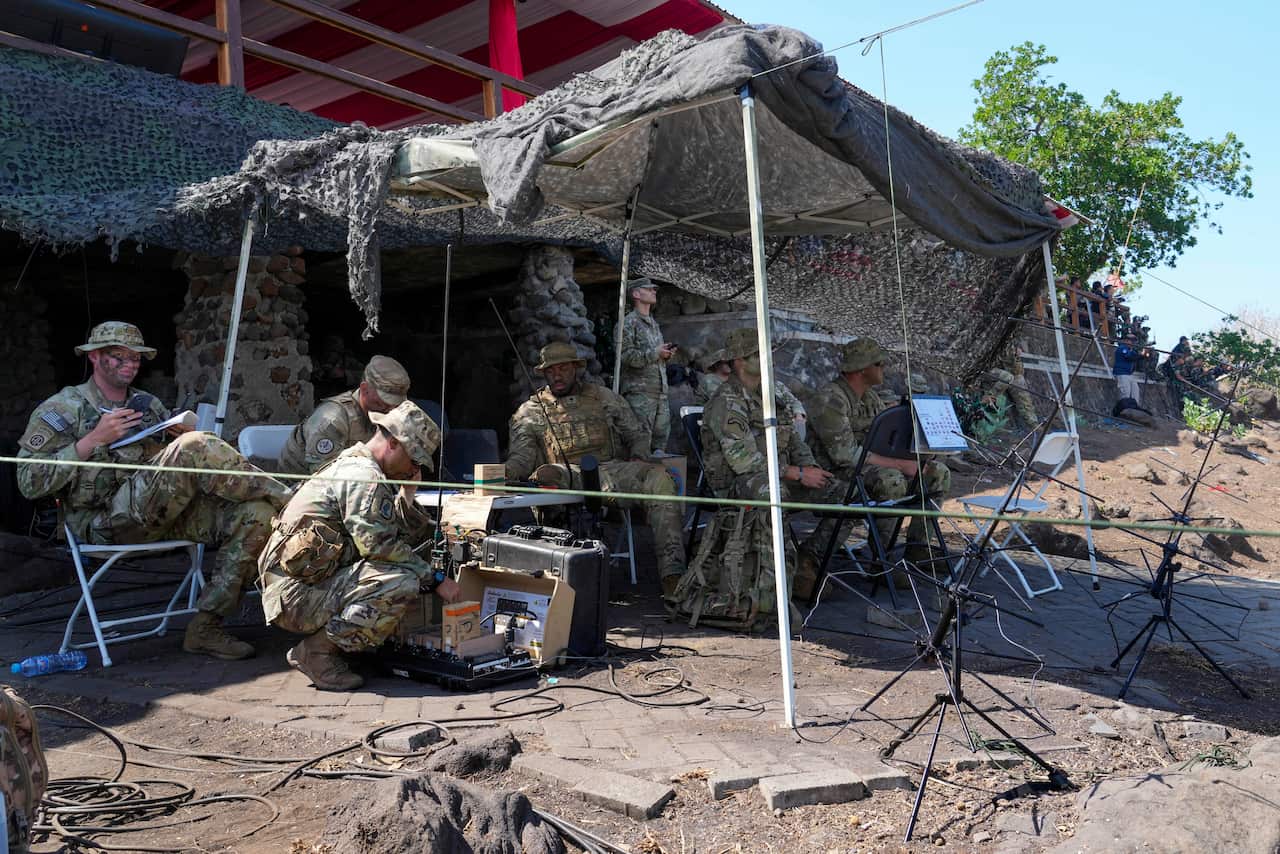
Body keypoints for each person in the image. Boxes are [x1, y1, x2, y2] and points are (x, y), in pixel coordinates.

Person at [16, 322, 291, 660]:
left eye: (136, 358)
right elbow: (28, 482)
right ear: (96, 358)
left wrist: (172, 437)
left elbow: (170, 463)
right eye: (120, 357)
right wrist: (91, 441)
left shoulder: (147, 404)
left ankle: (206, 627)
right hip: (103, 523)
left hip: (161, 513)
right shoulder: (62, 409)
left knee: (257, 515)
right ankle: (290, 500)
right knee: (196, 445)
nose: (130, 364)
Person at [259, 400, 461, 690]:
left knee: (402, 570)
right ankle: (317, 653)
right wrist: (435, 578)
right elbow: (380, 547)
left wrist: (407, 493)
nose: (414, 468)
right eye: (414, 460)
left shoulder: (360, 465)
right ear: (393, 443)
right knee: (400, 581)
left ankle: (348, 641)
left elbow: (390, 535)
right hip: (294, 596)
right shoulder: (363, 477)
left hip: (307, 582)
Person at [505, 341, 687, 595]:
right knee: (546, 475)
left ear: (576, 369)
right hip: (566, 475)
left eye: (564, 368)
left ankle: (674, 577)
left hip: (610, 471)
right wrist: (499, 474)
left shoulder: (602, 397)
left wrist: (637, 455)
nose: (557, 375)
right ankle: (563, 574)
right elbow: (521, 459)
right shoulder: (531, 411)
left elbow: (636, 432)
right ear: (544, 373)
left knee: (660, 479)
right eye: (551, 370)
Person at [701, 329, 845, 601]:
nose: (767, 359)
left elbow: (792, 441)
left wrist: (809, 468)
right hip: (737, 483)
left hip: (778, 474)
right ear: (740, 361)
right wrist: (799, 474)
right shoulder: (726, 402)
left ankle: (808, 559)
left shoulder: (769, 395)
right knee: (774, 496)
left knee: (843, 494)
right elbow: (744, 462)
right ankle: (776, 588)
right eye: (758, 354)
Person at [804, 338, 952, 590]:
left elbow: (884, 442)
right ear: (862, 369)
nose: (883, 367)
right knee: (891, 480)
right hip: (833, 475)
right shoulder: (831, 400)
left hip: (867, 468)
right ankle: (882, 561)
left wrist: (921, 453)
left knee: (937, 473)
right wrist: (901, 466)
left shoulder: (870, 398)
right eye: (878, 363)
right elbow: (845, 455)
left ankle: (918, 548)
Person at [279, 355, 411, 475]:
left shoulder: (385, 414)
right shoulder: (332, 419)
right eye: (384, 400)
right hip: (300, 488)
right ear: (365, 389)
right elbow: (323, 477)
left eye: (395, 402)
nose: (390, 407)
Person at [618, 279, 675, 453]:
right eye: (649, 289)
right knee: (640, 444)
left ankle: (658, 479)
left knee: (660, 445)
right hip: (640, 395)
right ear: (636, 294)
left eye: (654, 289)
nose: (653, 291)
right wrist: (655, 353)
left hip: (660, 393)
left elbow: (654, 356)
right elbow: (625, 356)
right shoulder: (628, 323)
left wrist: (665, 355)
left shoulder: (653, 323)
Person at [697, 349, 808, 438]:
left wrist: (798, 414)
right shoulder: (711, 380)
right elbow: (729, 404)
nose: (728, 365)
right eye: (725, 362)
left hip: (778, 424)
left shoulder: (775, 384)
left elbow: (793, 401)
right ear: (716, 364)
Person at [1112, 333, 1145, 405]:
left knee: (1135, 392)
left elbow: (1134, 356)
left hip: (1129, 374)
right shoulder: (1122, 348)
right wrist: (1141, 355)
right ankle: (1123, 411)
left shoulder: (1130, 350)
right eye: (1132, 341)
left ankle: (1134, 409)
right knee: (1125, 394)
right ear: (1126, 340)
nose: (1133, 343)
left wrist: (1143, 356)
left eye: (1134, 341)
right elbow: (1129, 357)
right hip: (1122, 373)